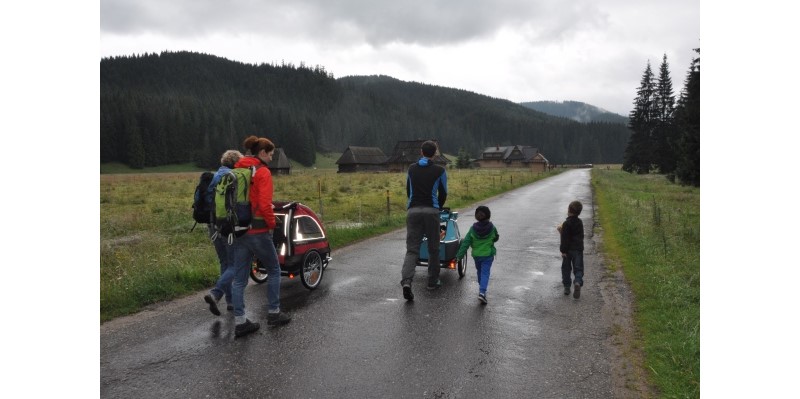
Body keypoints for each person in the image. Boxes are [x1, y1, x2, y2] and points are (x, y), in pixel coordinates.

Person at [400, 140, 448, 301]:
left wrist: (414, 204)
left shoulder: (411, 169)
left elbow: (409, 190)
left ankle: (407, 282)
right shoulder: (440, 171)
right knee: (434, 248)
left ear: (421, 152)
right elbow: (444, 192)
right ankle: (432, 282)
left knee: (412, 250)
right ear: (435, 153)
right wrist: (438, 207)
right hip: (431, 211)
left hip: (413, 211)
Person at [203, 150, 243, 313]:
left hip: (212, 226)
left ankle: (230, 302)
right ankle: (216, 293)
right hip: (227, 227)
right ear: (235, 163)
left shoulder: (213, 177)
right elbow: (237, 204)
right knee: (234, 264)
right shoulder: (232, 177)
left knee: (225, 263)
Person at [456, 205, 499, 304]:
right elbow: (496, 237)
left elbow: (465, 243)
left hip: (477, 256)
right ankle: (482, 292)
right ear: (488, 216)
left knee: (480, 272)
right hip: (488, 255)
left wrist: (459, 256)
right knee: (485, 273)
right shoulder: (492, 228)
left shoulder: (472, 229)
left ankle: (481, 290)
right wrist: (494, 239)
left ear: (476, 216)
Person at [558, 200, 585, 298]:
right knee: (578, 268)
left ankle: (567, 287)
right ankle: (577, 282)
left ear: (569, 210)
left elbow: (565, 239)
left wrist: (563, 251)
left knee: (566, 268)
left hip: (568, 250)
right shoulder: (580, 222)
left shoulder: (566, 223)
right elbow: (580, 236)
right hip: (578, 249)